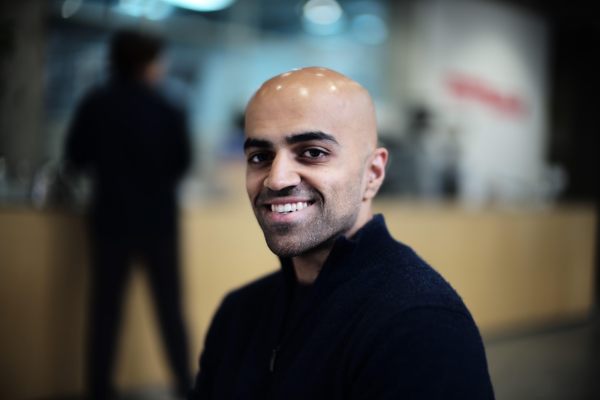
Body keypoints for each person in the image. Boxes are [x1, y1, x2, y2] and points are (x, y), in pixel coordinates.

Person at [189, 67, 494, 399]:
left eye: (313, 153)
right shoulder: (239, 312)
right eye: (260, 156)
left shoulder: (421, 325)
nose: (276, 179)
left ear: (373, 173)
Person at [65, 29, 192, 399]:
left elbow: (76, 157)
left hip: (111, 219)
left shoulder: (96, 104)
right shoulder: (168, 108)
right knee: (169, 308)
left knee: (105, 310)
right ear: (146, 63)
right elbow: (182, 163)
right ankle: (185, 385)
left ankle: (99, 388)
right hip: (159, 221)